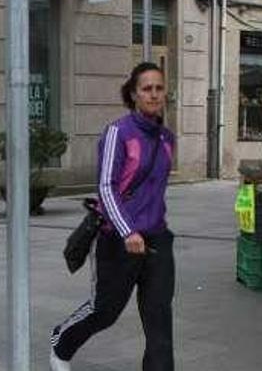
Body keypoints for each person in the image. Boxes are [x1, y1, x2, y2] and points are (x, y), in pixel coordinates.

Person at [50, 62, 176, 371]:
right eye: (147, 89)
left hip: (157, 240)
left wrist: (150, 227)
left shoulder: (167, 139)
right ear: (134, 94)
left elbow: (154, 190)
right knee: (105, 311)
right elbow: (106, 187)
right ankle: (62, 343)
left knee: (159, 318)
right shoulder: (119, 132)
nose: (154, 94)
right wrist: (127, 231)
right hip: (118, 240)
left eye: (159, 88)